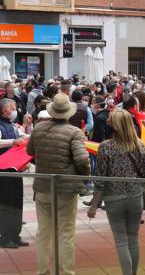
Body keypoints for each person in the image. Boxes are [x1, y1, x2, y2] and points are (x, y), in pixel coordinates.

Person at [26, 93, 91, 275]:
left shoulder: (39, 129)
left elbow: (30, 150)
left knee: (43, 232)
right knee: (66, 233)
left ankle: (43, 271)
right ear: (68, 114)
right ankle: (66, 272)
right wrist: (84, 179)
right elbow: (83, 159)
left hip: (43, 187)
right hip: (66, 189)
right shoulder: (74, 132)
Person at [87, 110, 145, 275]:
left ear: (113, 126)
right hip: (135, 196)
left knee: (121, 241)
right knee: (133, 239)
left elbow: (100, 179)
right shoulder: (138, 144)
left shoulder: (105, 147)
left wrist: (94, 206)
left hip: (113, 198)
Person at [0, 98, 31, 249]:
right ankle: (5, 237)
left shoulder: (12, 125)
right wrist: (13, 142)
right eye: (13, 108)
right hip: (3, 171)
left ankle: (15, 235)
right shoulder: (0, 125)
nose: (15, 111)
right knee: (6, 203)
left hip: (15, 169)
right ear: (5, 110)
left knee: (17, 202)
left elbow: (23, 137)